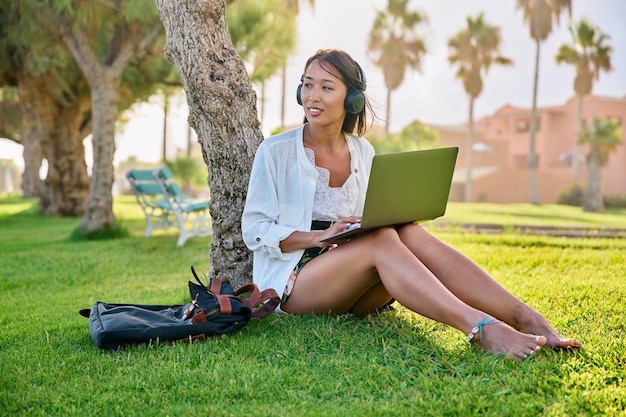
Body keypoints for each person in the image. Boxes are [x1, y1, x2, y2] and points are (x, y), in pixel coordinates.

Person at [241, 48, 581, 360]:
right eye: (307, 85)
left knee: (406, 231)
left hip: (353, 278)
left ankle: (527, 317)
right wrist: (317, 237)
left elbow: (372, 217)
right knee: (384, 239)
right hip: (294, 282)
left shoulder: (363, 151)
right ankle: (479, 328)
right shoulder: (275, 151)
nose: (312, 96)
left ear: (353, 99)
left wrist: (364, 224)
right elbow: (254, 230)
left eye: (326, 87)